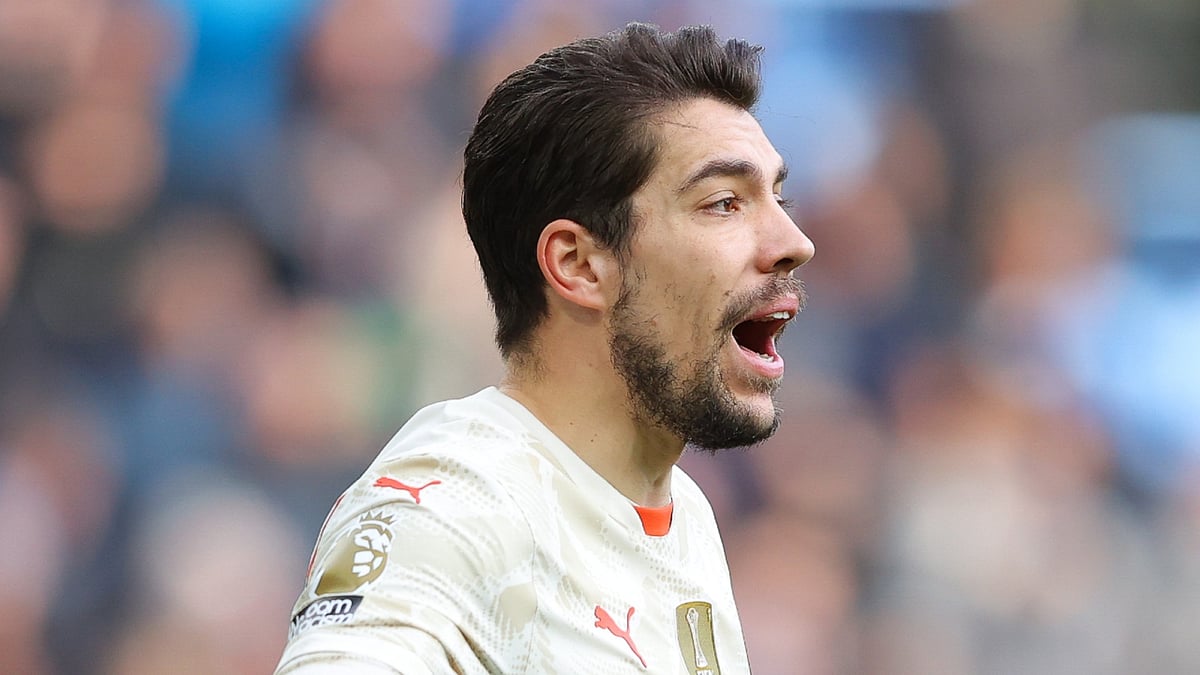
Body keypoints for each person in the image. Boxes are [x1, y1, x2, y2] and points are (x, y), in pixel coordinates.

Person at [275, 22, 814, 674]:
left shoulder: (685, 516)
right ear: (580, 264)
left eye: (776, 197)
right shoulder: (451, 504)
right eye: (724, 202)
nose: (793, 240)